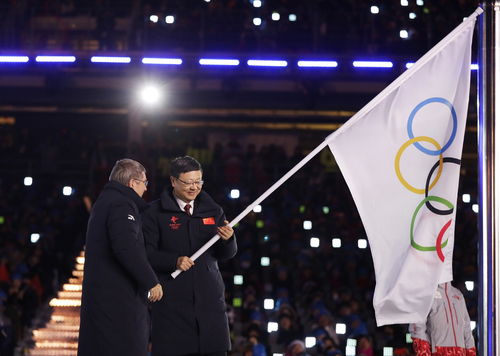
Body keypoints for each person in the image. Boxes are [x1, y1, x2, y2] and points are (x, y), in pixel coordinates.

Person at [141, 155, 237, 356]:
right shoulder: (153, 213)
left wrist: (228, 240)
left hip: (210, 303)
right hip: (172, 307)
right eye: (188, 182)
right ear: (173, 181)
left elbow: (225, 254)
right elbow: (145, 254)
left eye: (198, 181)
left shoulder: (213, 210)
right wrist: (173, 261)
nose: (194, 187)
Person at [78, 158, 163, 356]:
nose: (145, 189)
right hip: (118, 309)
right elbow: (125, 247)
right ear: (133, 183)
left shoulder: (105, 201)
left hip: (104, 306)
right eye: (145, 183)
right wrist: (151, 281)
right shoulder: (121, 203)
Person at [409, 281, 476, 356]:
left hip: (460, 352)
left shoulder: (458, 294)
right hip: (438, 351)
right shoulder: (426, 293)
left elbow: (466, 327)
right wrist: (423, 352)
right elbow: (418, 327)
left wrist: (471, 351)